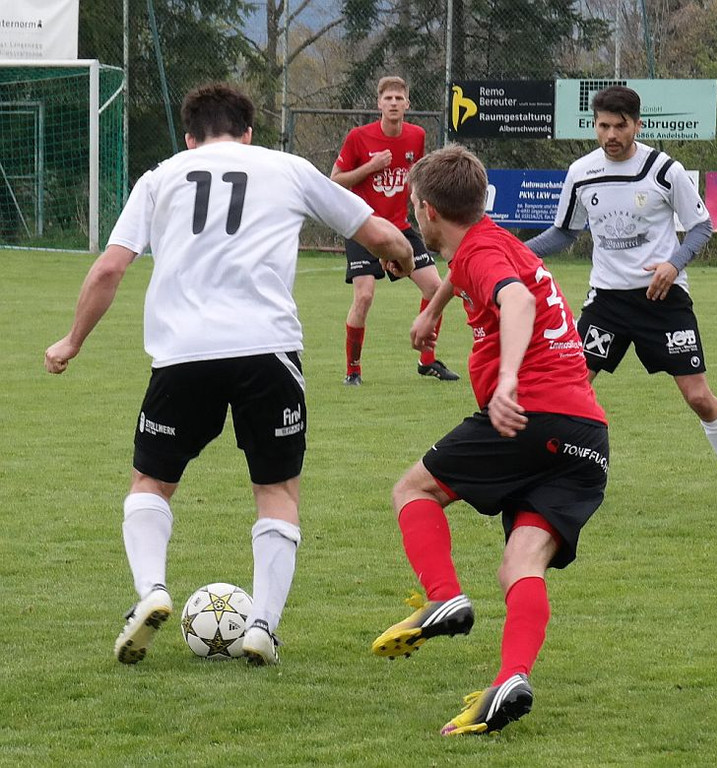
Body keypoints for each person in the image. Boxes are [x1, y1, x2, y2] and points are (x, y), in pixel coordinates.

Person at [44, 82, 414, 667]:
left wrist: (72, 341)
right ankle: (262, 624)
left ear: (190, 138)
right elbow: (384, 236)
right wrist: (402, 259)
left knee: (150, 482)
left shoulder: (161, 176)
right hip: (267, 351)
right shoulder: (286, 168)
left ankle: (152, 590)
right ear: (248, 133)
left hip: (183, 354)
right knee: (276, 490)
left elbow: (109, 269)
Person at [371, 144, 609, 736]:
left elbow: (516, 298)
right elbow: (467, 272)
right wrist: (434, 308)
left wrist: (506, 382)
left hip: (530, 415)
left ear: (427, 211)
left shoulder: (481, 252)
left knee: (413, 490)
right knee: (520, 564)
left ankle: (443, 595)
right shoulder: (492, 240)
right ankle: (511, 679)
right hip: (586, 435)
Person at [526, 85, 717, 506]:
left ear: (637, 125)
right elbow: (563, 233)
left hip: (662, 299)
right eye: (603, 126)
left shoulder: (664, 169)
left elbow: (701, 227)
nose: (611, 135)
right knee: (570, 388)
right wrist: (513, 252)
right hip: (607, 302)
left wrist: (673, 264)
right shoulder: (581, 172)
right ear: (594, 125)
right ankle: (551, 478)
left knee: (697, 396)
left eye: (620, 126)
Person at [330, 75, 459, 385]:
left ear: (407, 104)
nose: (393, 103)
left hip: (400, 228)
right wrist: (370, 167)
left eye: (399, 98)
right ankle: (353, 370)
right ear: (379, 104)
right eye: (388, 98)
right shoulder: (359, 137)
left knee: (436, 288)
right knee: (364, 297)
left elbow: (416, 180)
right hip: (364, 226)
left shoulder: (416, 136)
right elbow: (335, 180)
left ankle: (427, 361)